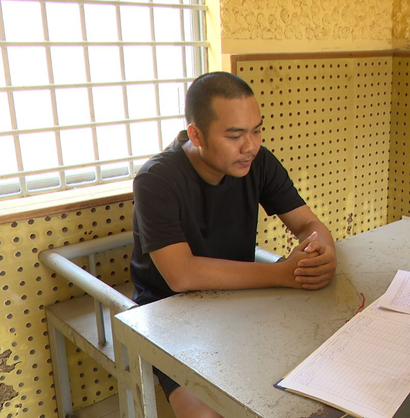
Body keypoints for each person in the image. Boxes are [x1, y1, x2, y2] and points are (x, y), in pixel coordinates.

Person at [130, 72, 337, 418]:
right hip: (170, 316)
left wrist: (321, 252)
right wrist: (282, 273)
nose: (250, 146)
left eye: (257, 130)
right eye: (235, 135)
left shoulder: (258, 163)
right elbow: (181, 275)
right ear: (196, 134)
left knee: (312, 377)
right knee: (206, 413)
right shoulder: (156, 180)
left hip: (239, 300)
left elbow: (307, 224)